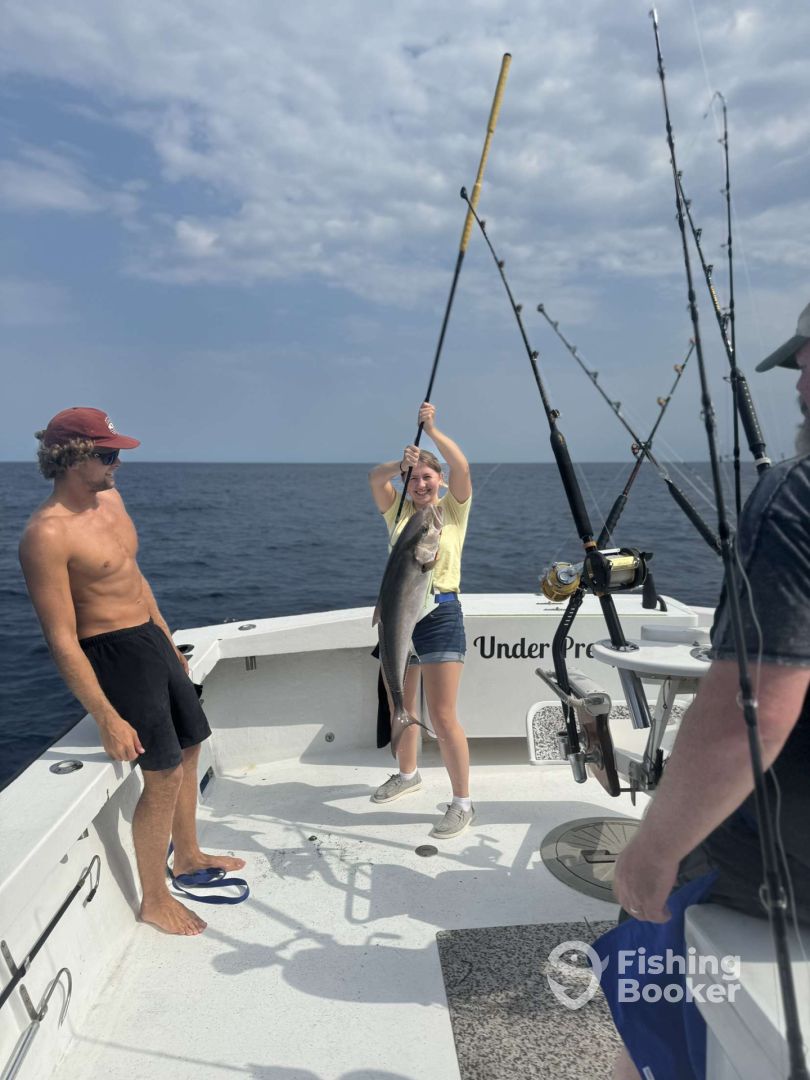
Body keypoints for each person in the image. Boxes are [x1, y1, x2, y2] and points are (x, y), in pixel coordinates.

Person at [603, 302, 810, 1080]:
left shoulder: (795, 494)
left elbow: (749, 712)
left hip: (781, 871)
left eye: (806, 363)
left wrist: (652, 852)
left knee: (641, 931)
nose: (799, 384)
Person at [19, 407, 245, 936]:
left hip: (149, 637)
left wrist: (165, 637)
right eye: (107, 453)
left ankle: (187, 855)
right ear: (72, 458)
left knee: (191, 745)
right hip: (111, 653)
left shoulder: (112, 500)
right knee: (161, 773)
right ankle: (153, 898)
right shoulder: (45, 534)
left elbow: (133, 576)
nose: (117, 462)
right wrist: (106, 717)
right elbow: (62, 639)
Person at [368, 402, 474, 839]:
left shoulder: (451, 512)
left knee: (444, 716)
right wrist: (400, 464)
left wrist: (432, 430)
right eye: (413, 478)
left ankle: (462, 803)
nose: (421, 484)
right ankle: (407, 774)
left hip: (440, 614)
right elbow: (375, 479)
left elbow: (462, 466)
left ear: (440, 481)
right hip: (397, 616)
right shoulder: (397, 512)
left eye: (428, 477)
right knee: (402, 705)